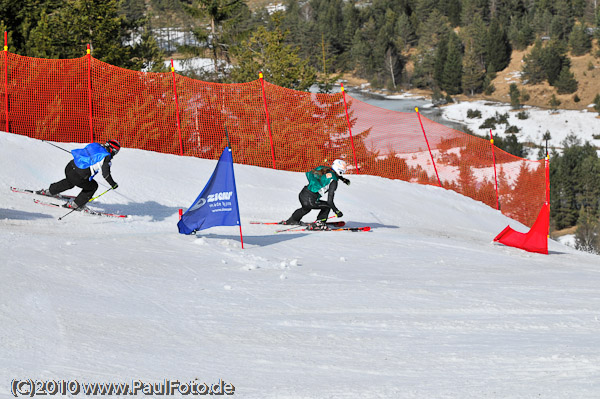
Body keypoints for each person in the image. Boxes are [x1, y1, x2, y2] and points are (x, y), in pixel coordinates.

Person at [38, 140, 120, 211]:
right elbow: (106, 175)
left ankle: (50, 191)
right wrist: (113, 184)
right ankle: (76, 204)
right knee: (93, 186)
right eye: (116, 152)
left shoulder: (95, 144)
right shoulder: (106, 157)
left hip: (69, 167)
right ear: (112, 150)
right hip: (78, 176)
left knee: (70, 181)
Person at [282, 159, 351, 230]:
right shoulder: (334, 182)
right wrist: (337, 211)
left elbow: (330, 175)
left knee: (305, 209)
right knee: (327, 206)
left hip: (303, 194)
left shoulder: (325, 169)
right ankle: (319, 223)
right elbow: (330, 201)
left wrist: (343, 179)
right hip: (310, 199)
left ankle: (292, 220)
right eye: (344, 170)